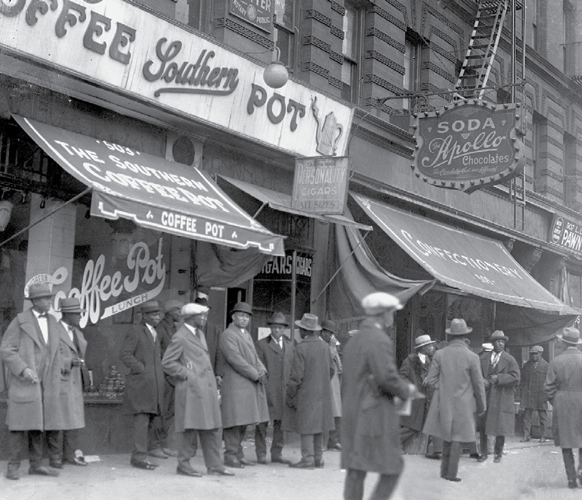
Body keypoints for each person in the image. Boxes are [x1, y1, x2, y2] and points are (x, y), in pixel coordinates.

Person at [341, 292, 417, 500]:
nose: (392, 317)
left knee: (356, 469)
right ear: (383, 314)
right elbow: (387, 378)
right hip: (372, 414)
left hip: (352, 410)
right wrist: (407, 390)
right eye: (392, 312)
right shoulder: (379, 340)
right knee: (393, 467)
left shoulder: (354, 340)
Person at [161, 303, 234, 477]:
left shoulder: (198, 333)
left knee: (211, 428)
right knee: (189, 428)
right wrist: (187, 374)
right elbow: (167, 363)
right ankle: (183, 465)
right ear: (191, 318)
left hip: (205, 389)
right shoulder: (180, 337)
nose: (204, 319)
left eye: (204, 316)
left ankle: (215, 465)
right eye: (201, 316)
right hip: (191, 390)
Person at [1, 282, 63, 480]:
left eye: (50, 298)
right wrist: (23, 368)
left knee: (39, 424)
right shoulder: (19, 321)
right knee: (18, 426)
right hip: (25, 381)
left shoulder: (53, 321)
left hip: (46, 383)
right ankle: (13, 466)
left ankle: (36, 465)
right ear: (35, 301)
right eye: (46, 298)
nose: (50, 301)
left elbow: (56, 350)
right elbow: (6, 350)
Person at [423, 318, 486, 482]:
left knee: (447, 435)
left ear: (450, 336)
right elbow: (479, 385)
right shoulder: (472, 357)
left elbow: (430, 381)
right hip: (464, 403)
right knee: (458, 437)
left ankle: (444, 471)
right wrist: (481, 406)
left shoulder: (439, 354)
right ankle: (451, 473)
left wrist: (441, 389)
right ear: (465, 335)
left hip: (443, 401)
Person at [218, 301, 269, 468]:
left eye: (247, 316)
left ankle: (237, 453)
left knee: (243, 421)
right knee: (234, 421)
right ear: (233, 316)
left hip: (246, 384)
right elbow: (235, 359)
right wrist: (256, 374)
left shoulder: (246, 334)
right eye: (241, 315)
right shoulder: (228, 334)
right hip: (236, 384)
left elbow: (254, 357)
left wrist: (262, 369)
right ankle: (230, 455)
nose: (244, 319)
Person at [119, 300, 165, 470]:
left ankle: (141, 456)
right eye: (153, 314)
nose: (157, 317)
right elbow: (124, 354)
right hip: (141, 385)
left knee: (149, 423)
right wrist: (141, 369)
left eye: (158, 314)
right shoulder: (136, 331)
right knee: (141, 423)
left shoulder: (155, 332)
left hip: (152, 386)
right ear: (144, 316)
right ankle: (139, 457)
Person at [285, 313, 334, 469]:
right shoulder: (325, 347)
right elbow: (332, 369)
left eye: (301, 328)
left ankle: (307, 459)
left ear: (305, 331)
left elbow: (296, 376)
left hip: (306, 393)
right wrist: (323, 381)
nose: (299, 331)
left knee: (306, 427)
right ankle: (318, 459)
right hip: (323, 392)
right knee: (319, 425)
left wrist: (290, 394)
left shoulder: (301, 348)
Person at [254, 311, 294, 465]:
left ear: (284, 329)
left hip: (284, 391)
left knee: (281, 425)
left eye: (280, 327)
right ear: (270, 328)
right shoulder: (261, 345)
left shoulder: (290, 346)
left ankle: (277, 454)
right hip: (266, 390)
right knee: (262, 423)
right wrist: (265, 386)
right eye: (274, 327)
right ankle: (261, 454)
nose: (277, 330)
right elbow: (259, 368)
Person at [545, 327, 582, 489]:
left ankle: (571, 479)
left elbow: (548, 388)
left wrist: (557, 401)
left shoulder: (556, 361)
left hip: (563, 403)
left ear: (564, 343)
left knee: (566, 442)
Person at [477, 330, 520, 463]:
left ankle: (498, 453)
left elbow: (516, 377)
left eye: (503, 342)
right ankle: (483, 453)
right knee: (483, 425)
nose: (501, 344)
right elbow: (474, 373)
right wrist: (481, 380)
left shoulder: (510, 359)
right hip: (486, 396)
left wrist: (499, 378)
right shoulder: (482, 358)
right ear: (493, 343)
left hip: (502, 396)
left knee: (501, 426)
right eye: (498, 341)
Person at [56, 297, 89, 466]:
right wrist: (68, 362)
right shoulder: (54, 330)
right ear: (68, 314)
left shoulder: (77, 332)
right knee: (61, 420)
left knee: (72, 420)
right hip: (61, 380)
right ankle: (57, 457)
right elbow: (48, 357)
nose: (80, 317)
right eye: (77, 314)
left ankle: (68, 454)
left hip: (75, 380)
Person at [399, 332, 442, 459]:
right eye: (429, 346)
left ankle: (432, 450)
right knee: (412, 426)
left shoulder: (432, 360)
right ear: (422, 348)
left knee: (428, 423)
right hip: (416, 399)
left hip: (428, 397)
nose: (432, 347)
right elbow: (402, 377)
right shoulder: (410, 361)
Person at [151, 299, 183, 458]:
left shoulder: (173, 328)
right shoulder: (160, 329)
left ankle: (163, 444)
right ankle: (155, 446)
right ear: (170, 312)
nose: (180, 313)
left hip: (172, 377)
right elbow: (159, 354)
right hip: (164, 377)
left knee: (169, 413)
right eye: (178, 310)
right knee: (161, 413)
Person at [320, 319, 342, 452]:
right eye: (329, 333)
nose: (331, 336)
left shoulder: (330, 344)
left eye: (332, 333)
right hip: (325, 380)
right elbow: (327, 359)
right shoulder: (322, 344)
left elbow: (338, 365)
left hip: (334, 381)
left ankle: (333, 441)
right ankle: (324, 442)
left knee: (336, 412)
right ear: (322, 332)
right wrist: (333, 348)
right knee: (326, 411)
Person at [520, 345, 549, 443]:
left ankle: (543, 436)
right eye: (532, 354)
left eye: (535, 354)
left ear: (541, 354)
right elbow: (522, 381)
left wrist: (547, 394)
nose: (533, 356)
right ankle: (526, 435)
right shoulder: (527, 365)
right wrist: (523, 393)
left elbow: (549, 382)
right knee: (527, 416)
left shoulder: (546, 366)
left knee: (543, 417)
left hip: (541, 395)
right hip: (529, 394)